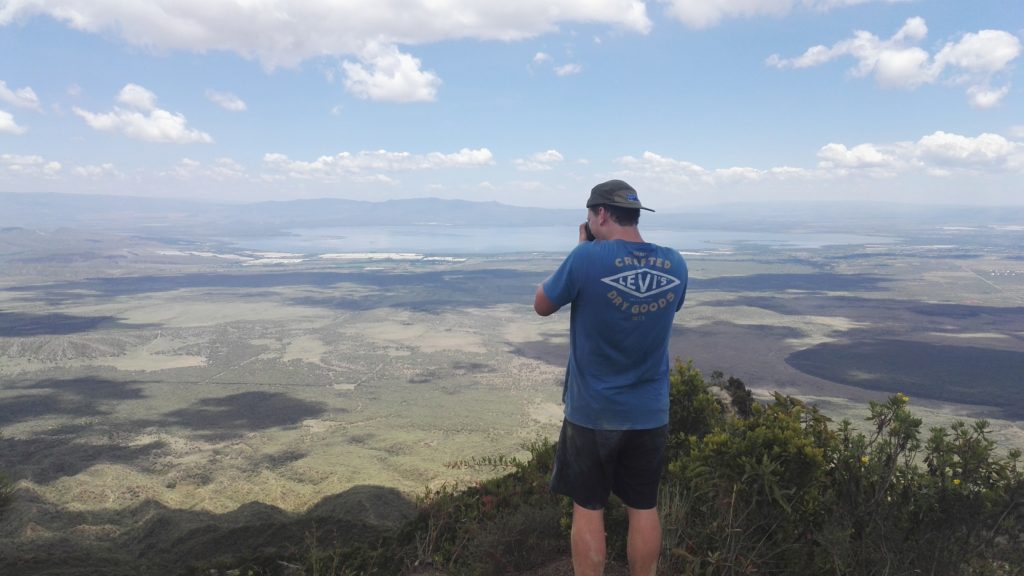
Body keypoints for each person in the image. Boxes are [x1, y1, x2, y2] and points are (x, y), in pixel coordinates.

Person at [534, 180, 688, 576]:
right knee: (644, 506)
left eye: (589, 215)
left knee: (588, 506)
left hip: (593, 412)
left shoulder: (586, 258)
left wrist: (584, 248)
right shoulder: (675, 263)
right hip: (650, 411)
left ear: (600, 214)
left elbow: (542, 304)